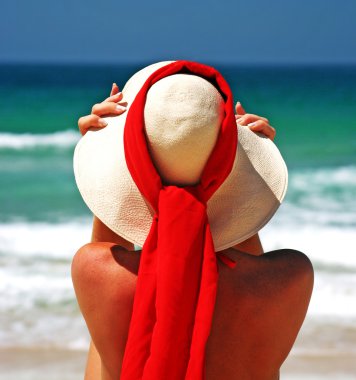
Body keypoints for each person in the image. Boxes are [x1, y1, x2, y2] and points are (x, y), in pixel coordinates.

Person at [72, 61, 314, 380]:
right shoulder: (288, 279)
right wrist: (249, 169)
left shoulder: (95, 273)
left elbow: (109, 246)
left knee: (105, 339)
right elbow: (241, 253)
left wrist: (99, 155)